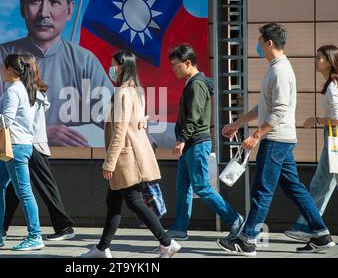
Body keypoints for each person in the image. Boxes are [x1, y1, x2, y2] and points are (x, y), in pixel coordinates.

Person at [0, 0, 113, 146]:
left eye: (55, 1)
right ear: (22, 7)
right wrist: (37, 134)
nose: (43, 13)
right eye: (35, 0)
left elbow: (114, 117)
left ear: (70, 10)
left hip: (72, 164)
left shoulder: (85, 62)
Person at [218, 22, 335, 256]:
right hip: (280, 139)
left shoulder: (280, 71)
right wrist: (238, 123)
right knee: (294, 188)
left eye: (260, 41)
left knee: (262, 189)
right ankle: (321, 234)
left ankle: (247, 239)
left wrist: (257, 135)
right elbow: (264, 106)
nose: (258, 45)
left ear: (269, 43)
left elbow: (279, 110)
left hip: (275, 140)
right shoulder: (276, 69)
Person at [81, 50, 181, 258]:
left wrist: (109, 162)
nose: (111, 68)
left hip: (126, 157)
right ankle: (102, 248)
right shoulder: (137, 91)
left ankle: (166, 242)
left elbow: (119, 131)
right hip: (132, 153)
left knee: (133, 200)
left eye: (114, 64)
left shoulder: (122, 94)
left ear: (123, 67)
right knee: (114, 202)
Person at [0, 53, 75, 240]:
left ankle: (52, 230)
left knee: (33, 189)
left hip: (29, 144)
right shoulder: (21, 89)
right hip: (22, 144)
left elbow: (11, 119)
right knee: (8, 188)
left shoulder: (25, 91)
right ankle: (0, 228)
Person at [166, 44, 243, 241]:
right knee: (183, 187)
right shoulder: (193, 82)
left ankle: (235, 220)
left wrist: (182, 139)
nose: (173, 68)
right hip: (191, 144)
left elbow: (194, 115)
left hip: (196, 143)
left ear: (188, 63)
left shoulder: (197, 84)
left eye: (176, 65)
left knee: (202, 186)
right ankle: (180, 228)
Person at [0, 54, 44, 251]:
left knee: (24, 191)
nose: (0, 71)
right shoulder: (19, 88)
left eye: (3, 68)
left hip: (16, 147)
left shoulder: (15, 90)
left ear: (10, 70)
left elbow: (6, 121)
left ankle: (35, 235)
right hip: (13, 146)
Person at [285, 45, 338, 242]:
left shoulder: (333, 87)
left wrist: (315, 120)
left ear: (330, 61)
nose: (316, 61)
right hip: (333, 137)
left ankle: (307, 226)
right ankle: (312, 227)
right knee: (325, 184)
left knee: (319, 184)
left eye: (319, 58)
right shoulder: (331, 84)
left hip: (335, 138)